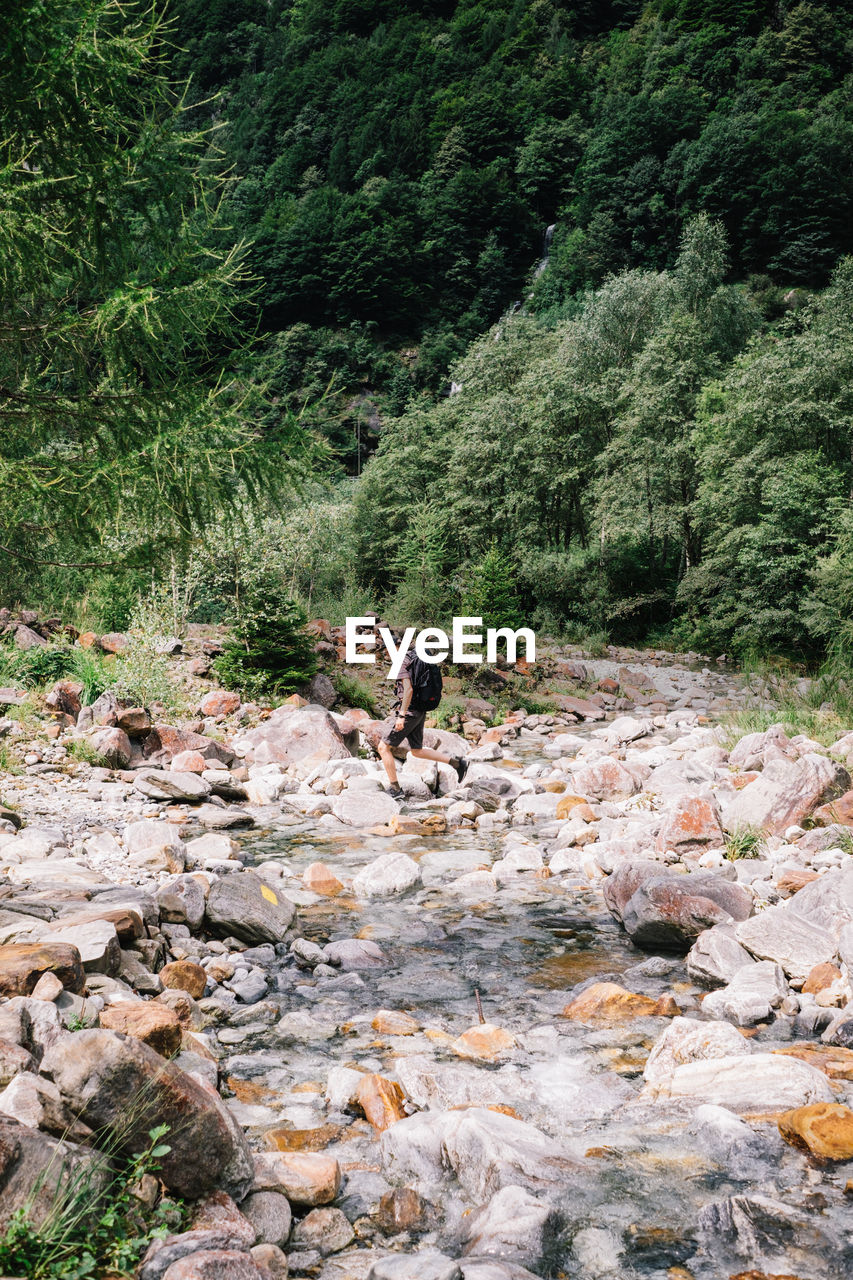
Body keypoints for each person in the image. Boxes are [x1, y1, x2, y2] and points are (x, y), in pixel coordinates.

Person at [377, 648, 468, 800]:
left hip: (410, 711)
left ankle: (395, 789)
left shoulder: (403, 661)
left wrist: (401, 715)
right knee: (417, 750)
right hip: (419, 709)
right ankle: (457, 763)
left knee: (383, 747)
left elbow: (408, 691)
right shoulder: (414, 657)